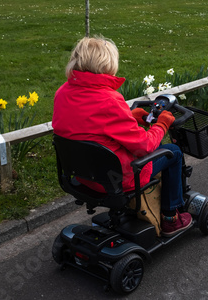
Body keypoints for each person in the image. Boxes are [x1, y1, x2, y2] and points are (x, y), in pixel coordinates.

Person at [52, 35, 192, 237]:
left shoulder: (63, 92)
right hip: (118, 178)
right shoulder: (109, 100)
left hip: (83, 175)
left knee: (162, 152)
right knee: (173, 152)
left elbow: (93, 124)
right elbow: (143, 146)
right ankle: (170, 218)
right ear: (107, 64)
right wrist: (161, 124)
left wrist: (129, 116)